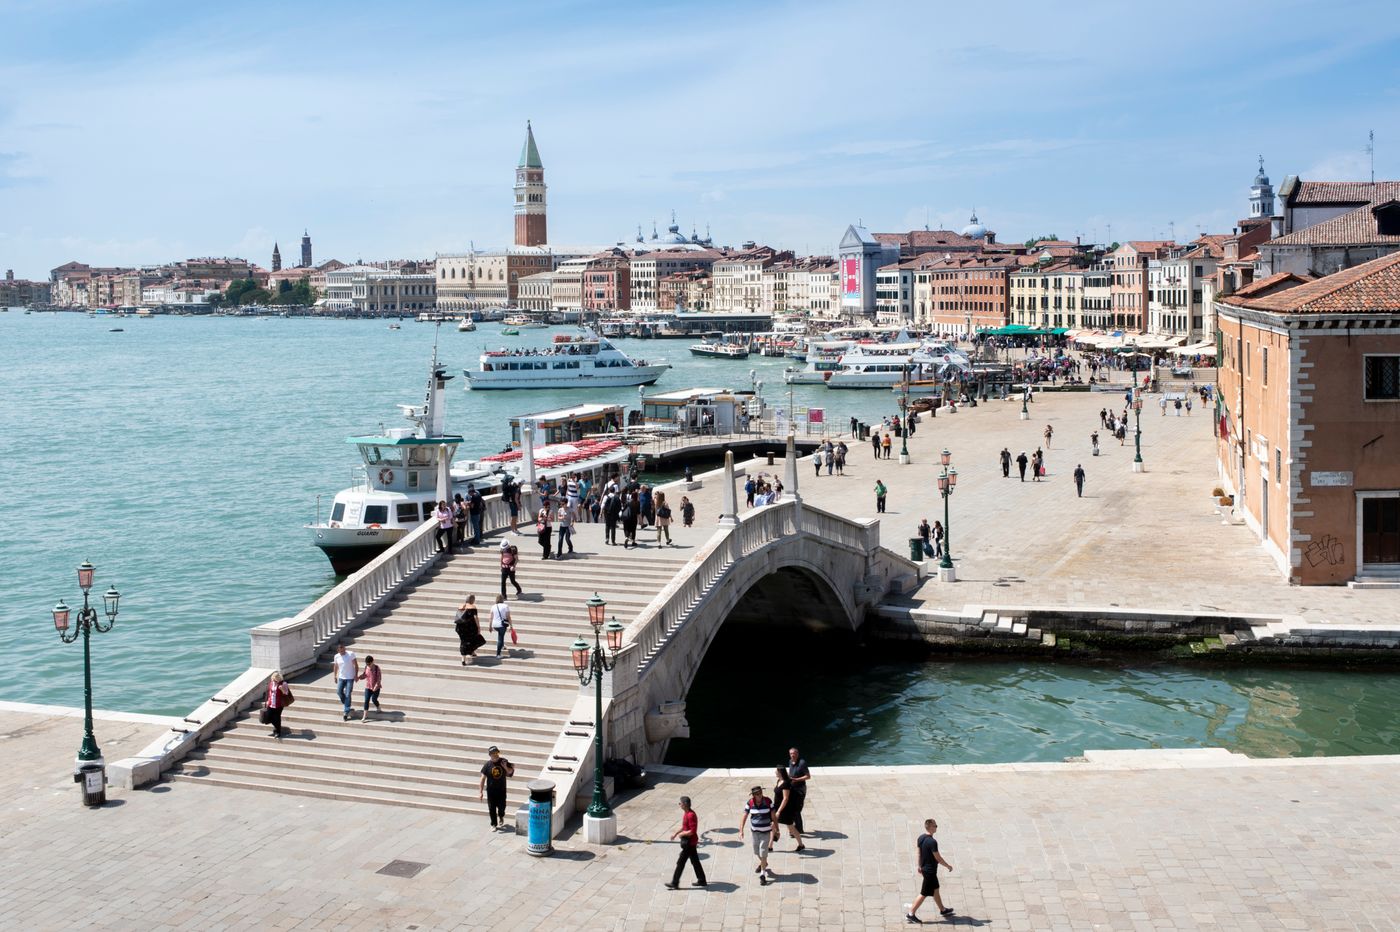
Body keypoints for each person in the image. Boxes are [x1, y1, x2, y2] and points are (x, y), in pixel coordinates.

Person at [906, 817, 955, 923]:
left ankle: (942, 909)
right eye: (935, 826)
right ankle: (911, 913)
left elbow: (919, 853)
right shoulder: (932, 842)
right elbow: (938, 857)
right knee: (924, 893)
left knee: (936, 889)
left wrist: (919, 866)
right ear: (930, 828)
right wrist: (948, 866)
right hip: (930, 872)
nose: (936, 827)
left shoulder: (921, 838)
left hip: (925, 869)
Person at [664, 796, 707, 889]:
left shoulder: (691, 815)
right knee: (695, 861)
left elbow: (692, 831)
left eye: (680, 803)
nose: (679, 804)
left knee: (681, 862)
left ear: (685, 804)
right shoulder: (686, 813)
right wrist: (676, 833)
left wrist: (683, 834)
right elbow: (685, 827)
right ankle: (702, 880)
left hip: (690, 843)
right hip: (690, 843)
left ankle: (675, 883)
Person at [740, 784, 777, 885]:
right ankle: (764, 863)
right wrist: (741, 830)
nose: (759, 795)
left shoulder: (768, 801)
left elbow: (773, 815)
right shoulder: (750, 803)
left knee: (763, 851)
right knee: (756, 851)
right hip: (755, 832)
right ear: (753, 795)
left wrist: (776, 828)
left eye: (760, 793)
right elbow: (744, 816)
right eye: (757, 794)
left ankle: (762, 874)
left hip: (766, 832)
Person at [479, 746, 515, 831]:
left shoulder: (503, 761)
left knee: (502, 807)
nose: (495, 755)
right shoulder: (487, 765)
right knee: (492, 808)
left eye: (497, 753)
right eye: (493, 753)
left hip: (501, 790)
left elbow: (510, 772)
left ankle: (501, 816)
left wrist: (505, 766)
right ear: (490, 755)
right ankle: (493, 824)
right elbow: (482, 778)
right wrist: (480, 791)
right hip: (491, 791)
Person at [773, 765, 803, 851]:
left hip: (785, 809)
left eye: (776, 771)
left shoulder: (786, 783)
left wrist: (778, 811)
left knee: (791, 827)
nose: (775, 772)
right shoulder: (779, 780)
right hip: (777, 806)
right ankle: (770, 845)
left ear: (780, 772)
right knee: (772, 824)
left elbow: (785, 799)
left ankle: (801, 845)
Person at [785, 747, 810, 844]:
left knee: (797, 809)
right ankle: (797, 829)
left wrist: (797, 779)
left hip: (800, 789)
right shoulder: (790, 761)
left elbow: (808, 776)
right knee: (793, 809)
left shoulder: (802, 763)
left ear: (797, 754)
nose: (792, 755)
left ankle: (798, 829)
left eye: (794, 753)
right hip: (792, 788)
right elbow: (791, 772)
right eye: (791, 753)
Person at [455, 594, 486, 664]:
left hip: (460, 627)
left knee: (464, 641)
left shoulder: (460, 606)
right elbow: (475, 618)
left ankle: (467, 656)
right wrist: (478, 627)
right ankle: (468, 654)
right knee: (478, 639)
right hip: (470, 627)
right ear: (472, 600)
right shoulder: (473, 607)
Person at [332, 642, 358, 721]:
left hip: (350, 677)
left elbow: (356, 665)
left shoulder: (350, 654)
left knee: (347, 693)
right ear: (338, 650)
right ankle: (347, 704)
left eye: (343, 650)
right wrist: (335, 676)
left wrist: (356, 675)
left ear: (345, 648)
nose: (343, 652)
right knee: (339, 692)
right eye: (341, 651)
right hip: (341, 677)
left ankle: (346, 712)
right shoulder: (336, 656)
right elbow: (336, 666)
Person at [265, 671, 293, 739]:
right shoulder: (271, 683)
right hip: (270, 703)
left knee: (277, 718)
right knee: (268, 718)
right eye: (273, 679)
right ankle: (277, 728)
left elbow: (286, 694)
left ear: (278, 678)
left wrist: (281, 689)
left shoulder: (283, 683)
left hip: (279, 704)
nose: (273, 680)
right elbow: (269, 693)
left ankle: (278, 732)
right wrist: (267, 701)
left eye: (275, 679)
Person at [357, 654, 382, 721]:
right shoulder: (366, 667)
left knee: (374, 699)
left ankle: (378, 707)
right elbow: (365, 675)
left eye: (369, 664)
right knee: (366, 700)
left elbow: (379, 679)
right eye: (367, 664)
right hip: (368, 687)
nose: (368, 665)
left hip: (376, 688)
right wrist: (359, 677)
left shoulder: (377, 668)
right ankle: (364, 716)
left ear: (372, 661)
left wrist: (376, 687)